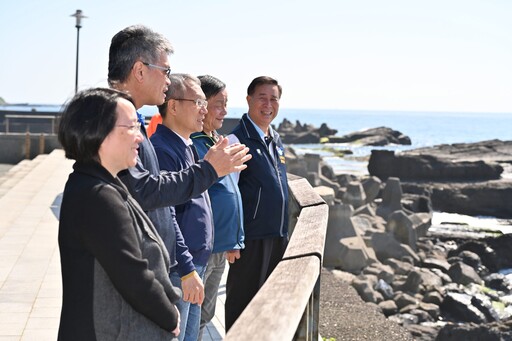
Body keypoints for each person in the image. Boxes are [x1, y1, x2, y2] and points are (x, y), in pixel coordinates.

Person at [107, 25, 251, 310]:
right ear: (140, 71)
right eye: (165, 70)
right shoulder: (115, 120)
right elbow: (146, 192)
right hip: (149, 268)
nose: (167, 80)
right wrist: (210, 169)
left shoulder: (133, 121)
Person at [57, 88, 181, 340]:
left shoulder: (98, 184)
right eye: (132, 127)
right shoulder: (97, 195)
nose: (140, 138)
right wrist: (171, 317)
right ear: (99, 132)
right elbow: (133, 276)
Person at [225, 76, 289, 331]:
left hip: (278, 235)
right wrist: (232, 238)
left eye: (274, 98)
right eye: (262, 97)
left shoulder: (275, 139)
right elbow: (228, 192)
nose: (268, 104)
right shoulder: (236, 140)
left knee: (270, 307)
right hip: (250, 239)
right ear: (249, 100)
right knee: (243, 305)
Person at [150, 74, 212, 341]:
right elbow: (166, 214)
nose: (204, 109)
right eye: (198, 101)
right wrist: (186, 269)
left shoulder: (185, 145)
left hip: (194, 264)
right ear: (173, 106)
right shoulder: (164, 149)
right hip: (181, 270)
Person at [190, 75, 244, 340]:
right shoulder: (194, 144)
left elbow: (230, 192)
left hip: (221, 245)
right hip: (202, 248)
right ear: (201, 105)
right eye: (218, 104)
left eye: (226, 104)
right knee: (192, 314)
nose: (225, 111)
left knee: (206, 313)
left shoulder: (216, 141)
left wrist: (235, 239)